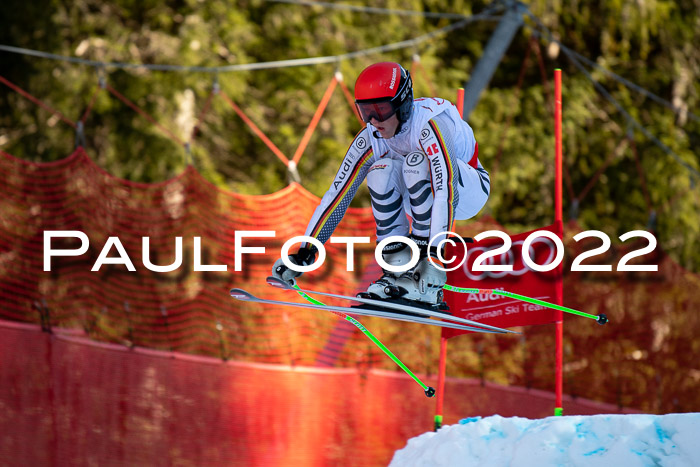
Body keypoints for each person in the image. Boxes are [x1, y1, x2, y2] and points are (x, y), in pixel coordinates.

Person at [272, 62, 490, 305]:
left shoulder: (428, 126)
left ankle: (424, 279)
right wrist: (306, 251)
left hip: (467, 190)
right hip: (425, 198)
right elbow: (338, 195)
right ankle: (396, 272)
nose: (374, 120)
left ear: (403, 104)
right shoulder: (371, 138)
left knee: (416, 162)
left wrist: (435, 257)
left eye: (381, 109)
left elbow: (445, 189)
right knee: (380, 171)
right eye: (366, 112)